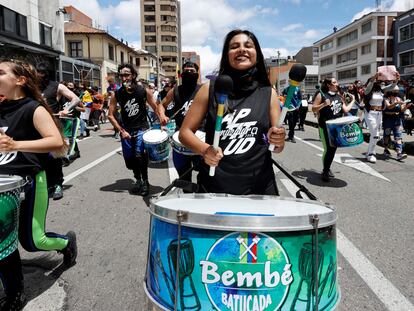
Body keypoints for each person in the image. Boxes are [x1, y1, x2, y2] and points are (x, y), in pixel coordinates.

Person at [0, 59, 77, 311]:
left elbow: (58, 142)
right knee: (2, 240)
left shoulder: (34, 108)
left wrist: (16, 146)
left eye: (0, 73)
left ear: (19, 80)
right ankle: (14, 293)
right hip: (3, 185)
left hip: (30, 181)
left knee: (33, 241)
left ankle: (66, 242)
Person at [179, 29, 286, 195]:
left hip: (260, 188)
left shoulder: (268, 93)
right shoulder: (209, 89)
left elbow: (277, 147)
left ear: (256, 54)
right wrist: (205, 150)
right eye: (234, 46)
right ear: (226, 55)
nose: (241, 49)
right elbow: (184, 133)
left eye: (248, 46)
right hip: (215, 186)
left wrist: (278, 140)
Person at [108, 64, 159, 196]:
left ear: (133, 75)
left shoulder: (143, 90)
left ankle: (145, 182)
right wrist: (121, 130)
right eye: (121, 75)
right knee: (130, 161)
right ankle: (137, 179)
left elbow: (155, 107)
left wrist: (162, 119)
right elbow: (110, 115)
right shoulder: (117, 94)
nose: (124, 78)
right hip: (126, 130)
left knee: (140, 156)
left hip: (142, 128)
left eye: (126, 75)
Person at [37, 64, 80, 200]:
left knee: (54, 157)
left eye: (41, 72)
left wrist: (67, 109)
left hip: (53, 126)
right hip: (35, 126)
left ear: (47, 73)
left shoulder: (57, 86)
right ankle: (46, 184)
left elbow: (76, 99)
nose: (38, 75)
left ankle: (57, 184)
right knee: (39, 158)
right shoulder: (31, 87)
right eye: (37, 72)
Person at [158, 62, 202, 181]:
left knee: (204, 176)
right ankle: (187, 195)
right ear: (182, 74)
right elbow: (161, 105)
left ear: (197, 74)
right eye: (186, 71)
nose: (189, 73)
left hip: (201, 137)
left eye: (192, 71)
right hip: (180, 137)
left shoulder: (204, 90)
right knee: (183, 176)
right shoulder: (175, 90)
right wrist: (162, 115)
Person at [312, 78, 354, 182]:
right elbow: (313, 108)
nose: (337, 84)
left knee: (333, 149)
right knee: (329, 149)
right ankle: (325, 171)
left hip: (337, 127)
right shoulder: (321, 95)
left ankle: (327, 168)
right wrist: (323, 104)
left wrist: (353, 100)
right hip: (325, 126)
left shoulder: (339, 96)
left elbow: (346, 110)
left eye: (336, 82)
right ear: (328, 85)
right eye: (334, 82)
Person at [363, 72, 399, 163]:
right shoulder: (368, 90)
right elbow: (370, 85)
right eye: (378, 81)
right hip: (370, 113)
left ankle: (369, 152)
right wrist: (374, 77)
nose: (380, 83)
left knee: (376, 135)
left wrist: (396, 78)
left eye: (380, 82)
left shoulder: (381, 91)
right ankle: (371, 154)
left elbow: (392, 86)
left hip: (379, 114)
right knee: (375, 134)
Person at [383, 85, 411, 160]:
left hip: (397, 120)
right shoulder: (385, 99)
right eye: (395, 90)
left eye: (397, 91)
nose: (397, 92)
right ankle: (386, 149)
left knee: (398, 136)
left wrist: (406, 106)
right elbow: (388, 107)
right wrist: (396, 103)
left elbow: (401, 110)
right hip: (388, 120)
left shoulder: (398, 98)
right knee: (387, 135)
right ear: (390, 91)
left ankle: (399, 153)